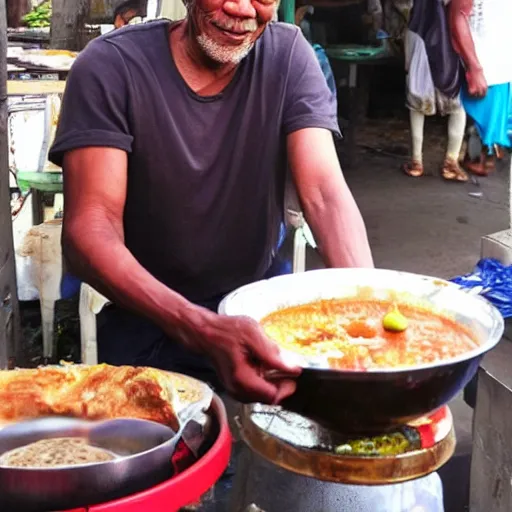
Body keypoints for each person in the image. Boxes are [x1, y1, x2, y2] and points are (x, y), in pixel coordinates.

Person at [48, 0, 373, 405]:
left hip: (263, 322)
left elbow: (324, 192)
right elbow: (90, 229)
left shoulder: (289, 56)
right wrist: (201, 328)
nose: (241, 9)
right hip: (147, 326)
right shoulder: (110, 67)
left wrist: (369, 316)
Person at [402, 0, 468, 182]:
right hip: (450, 42)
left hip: (419, 35)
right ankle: (451, 162)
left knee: (417, 102)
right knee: (457, 104)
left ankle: (416, 161)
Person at [450, 0, 512, 176]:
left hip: (501, 66)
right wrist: (474, 68)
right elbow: (457, 17)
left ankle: (485, 156)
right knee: (484, 123)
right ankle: (483, 157)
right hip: (485, 65)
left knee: (493, 125)